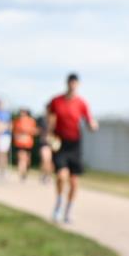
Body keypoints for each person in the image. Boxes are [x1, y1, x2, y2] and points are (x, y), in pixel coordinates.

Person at [46, 73, 98, 223]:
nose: (73, 85)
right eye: (71, 83)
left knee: (74, 181)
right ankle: (58, 204)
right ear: (67, 83)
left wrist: (93, 126)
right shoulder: (57, 101)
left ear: (78, 85)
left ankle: (68, 210)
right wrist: (49, 135)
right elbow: (50, 119)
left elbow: (89, 120)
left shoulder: (81, 103)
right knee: (61, 176)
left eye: (75, 83)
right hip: (60, 143)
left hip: (75, 144)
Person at [12, 108, 38, 181]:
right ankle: (21, 174)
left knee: (27, 160)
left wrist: (28, 133)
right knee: (21, 158)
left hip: (28, 143)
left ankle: (25, 172)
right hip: (19, 143)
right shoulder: (16, 121)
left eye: (23, 113)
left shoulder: (31, 121)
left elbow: (34, 131)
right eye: (20, 113)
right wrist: (18, 136)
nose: (21, 114)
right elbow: (14, 132)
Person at [0, 99, 12, 177]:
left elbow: (9, 125)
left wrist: (4, 127)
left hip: (5, 136)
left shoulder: (7, 113)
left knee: (3, 154)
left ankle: (3, 170)